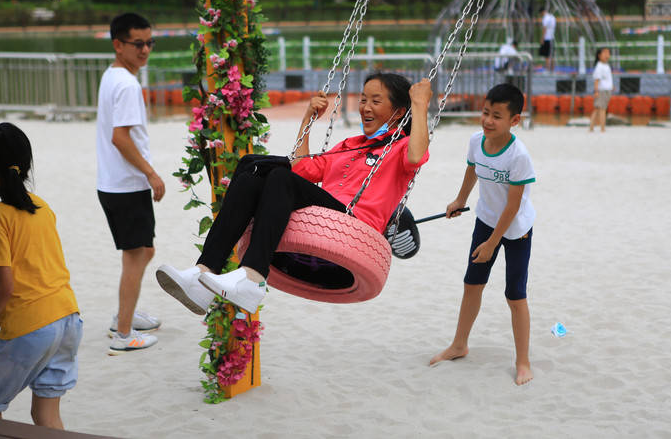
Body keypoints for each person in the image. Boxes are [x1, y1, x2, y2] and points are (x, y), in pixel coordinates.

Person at [157, 73, 432, 315]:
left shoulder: (401, 148)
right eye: (362, 100)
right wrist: (308, 121)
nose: (365, 108)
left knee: (279, 176)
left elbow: (417, 155)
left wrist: (419, 105)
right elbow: (303, 169)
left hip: (355, 224)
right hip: (327, 214)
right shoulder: (350, 144)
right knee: (251, 176)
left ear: (397, 112)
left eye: (375, 101)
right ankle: (204, 271)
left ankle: (252, 277)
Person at [0, 123, 82, 428]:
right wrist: (9, 327)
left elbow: (4, 289)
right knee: (46, 415)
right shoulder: (42, 208)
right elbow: (40, 273)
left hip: (32, 327)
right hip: (68, 320)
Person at [430, 84, 536, 386]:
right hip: (486, 220)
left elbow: (513, 207)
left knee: (515, 295)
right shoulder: (477, 141)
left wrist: (492, 244)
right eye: (486, 113)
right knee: (471, 284)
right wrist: (460, 200)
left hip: (516, 230)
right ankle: (459, 345)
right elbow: (472, 170)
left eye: (497, 116)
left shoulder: (519, 157)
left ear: (514, 121)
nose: (488, 121)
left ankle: (523, 362)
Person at [96, 13, 164, 353]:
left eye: (150, 42)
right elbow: (120, 138)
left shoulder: (113, 75)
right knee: (138, 254)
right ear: (118, 44)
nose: (146, 50)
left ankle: (125, 314)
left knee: (139, 252)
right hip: (125, 184)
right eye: (138, 44)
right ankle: (123, 333)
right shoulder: (126, 84)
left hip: (115, 182)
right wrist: (151, 173)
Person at [589, 48, 613, 132]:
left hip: (607, 90)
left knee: (599, 108)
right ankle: (602, 128)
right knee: (601, 109)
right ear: (599, 56)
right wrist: (596, 91)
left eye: (608, 53)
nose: (607, 55)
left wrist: (611, 86)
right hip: (601, 90)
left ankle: (592, 127)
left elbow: (607, 78)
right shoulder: (599, 67)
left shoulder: (606, 66)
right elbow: (597, 80)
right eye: (604, 53)